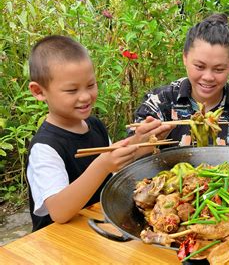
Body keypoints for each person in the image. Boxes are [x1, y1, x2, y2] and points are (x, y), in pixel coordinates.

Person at [26, 35, 166, 231]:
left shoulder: (94, 125)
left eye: (90, 85)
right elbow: (59, 212)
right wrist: (102, 165)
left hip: (94, 227)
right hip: (58, 242)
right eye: (71, 90)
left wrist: (144, 141)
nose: (85, 96)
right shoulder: (45, 147)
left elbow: (115, 163)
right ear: (39, 91)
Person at [132, 13, 229, 149]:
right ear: (185, 58)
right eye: (199, 66)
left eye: (219, 69)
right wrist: (143, 143)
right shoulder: (160, 103)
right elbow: (128, 162)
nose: (208, 77)